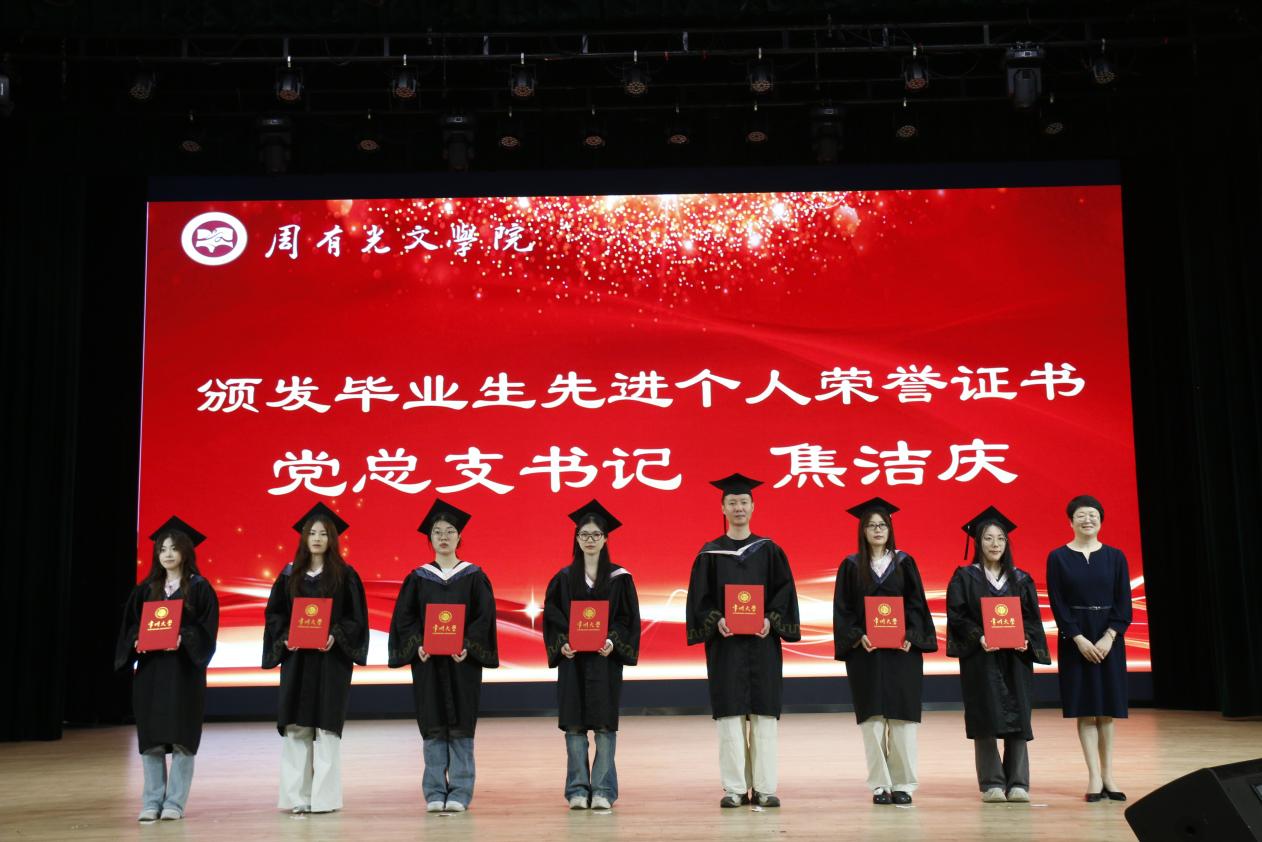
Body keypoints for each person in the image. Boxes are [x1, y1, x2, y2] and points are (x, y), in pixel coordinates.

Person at [685, 473, 801, 809]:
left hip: (762, 645)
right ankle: (735, 788)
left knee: (764, 716)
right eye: (732, 502)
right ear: (723, 508)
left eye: (744, 502)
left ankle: (764, 788)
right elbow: (699, 601)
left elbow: (784, 595)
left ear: (753, 506)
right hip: (726, 647)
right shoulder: (709, 554)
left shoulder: (770, 551)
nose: (738, 507)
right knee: (730, 717)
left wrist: (770, 620)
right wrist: (716, 620)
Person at [387, 499, 499, 813]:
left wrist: (468, 645)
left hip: (462, 664)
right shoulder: (418, 577)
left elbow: (484, 618)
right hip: (429, 663)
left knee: (461, 725)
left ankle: (460, 792)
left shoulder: (474, 576)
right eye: (437, 532)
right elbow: (404, 619)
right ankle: (435, 791)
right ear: (430, 538)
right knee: (433, 723)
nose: (444, 536)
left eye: (450, 531)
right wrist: (417, 644)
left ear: (459, 537)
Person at [262, 501, 369, 814]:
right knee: (297, 728)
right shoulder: (289, 576)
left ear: (332, 538)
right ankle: (296, 797)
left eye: (323, 533)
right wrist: (285, 636)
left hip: (330, 662)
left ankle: (324, 800)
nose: (317, 538)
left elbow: (356, 619)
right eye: (312, 533)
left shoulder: (345, 575)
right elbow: (275, 615)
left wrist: (335, 634)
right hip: (297, 661)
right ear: (304, 537)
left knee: (326, 729)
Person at [832, 497, 937, 805]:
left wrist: (912, 635)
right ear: (862, 531)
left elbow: (917, 605)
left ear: (890, 530)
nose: (877, 530)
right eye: (871, 526)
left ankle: (903, 784)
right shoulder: (851, 566)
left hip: (902, 653)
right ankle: (880, 784)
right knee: (873, 721)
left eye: (882, 525)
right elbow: (843, 610)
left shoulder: (905, 563)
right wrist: (857, 636)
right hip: (865, 654)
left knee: (902, 721)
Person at [115, 516, 219, 822]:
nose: (168, 554)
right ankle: (151, 801)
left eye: (174, 548)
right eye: (162, 549)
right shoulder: (146, 590)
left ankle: (174, 802)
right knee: (152, 738)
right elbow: (129, 628)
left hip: (184, 673)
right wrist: (136, 640)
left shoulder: (200, 588)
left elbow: (207, 631)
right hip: (151, 673)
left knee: (182, 737)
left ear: (186, 551)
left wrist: (182, 637)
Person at [946, 506, 1051, 803]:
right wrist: (978, 636)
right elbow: (957, 615)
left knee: (1019, 716)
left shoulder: (1020, 578)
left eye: (1001, 538)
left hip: (1015, 658)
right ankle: (991, 783)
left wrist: (1026, 638)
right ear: (978, 542)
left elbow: (1032, 619)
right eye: (988, 538)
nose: (995, 544)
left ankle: (1018, 783)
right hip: (981, 657)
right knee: (985, 716)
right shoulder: (965, 577)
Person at [543, 499, 641, 810]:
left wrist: (613, 641)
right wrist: (562, 643)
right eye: (584, 535)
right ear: (576, 538)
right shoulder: (563, 578)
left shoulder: (620, 578)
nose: (589, 540)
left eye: (595, 535)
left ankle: (603, 790)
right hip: (573, 663)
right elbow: (552, 617)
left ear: (605, 538)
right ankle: (576, 789)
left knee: (604, 726)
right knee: (574, 726)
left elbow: (627, 619)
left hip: (604, 662)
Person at [1046, 494, 1132, 803]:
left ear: (1101, 521)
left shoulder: (1115, 557)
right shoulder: (1058, 557)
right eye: (1081, 515)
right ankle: (1094, 776)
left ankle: (1109, 775)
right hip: (1076, 640)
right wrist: (1078, 638)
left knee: (1107, 711)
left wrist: (1110, 636)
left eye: (1093, 515)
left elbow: (1124, 602)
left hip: (1109, 640)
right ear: (1070, 521)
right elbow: (1057, 603)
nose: (1087, 520)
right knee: (1084, 710)